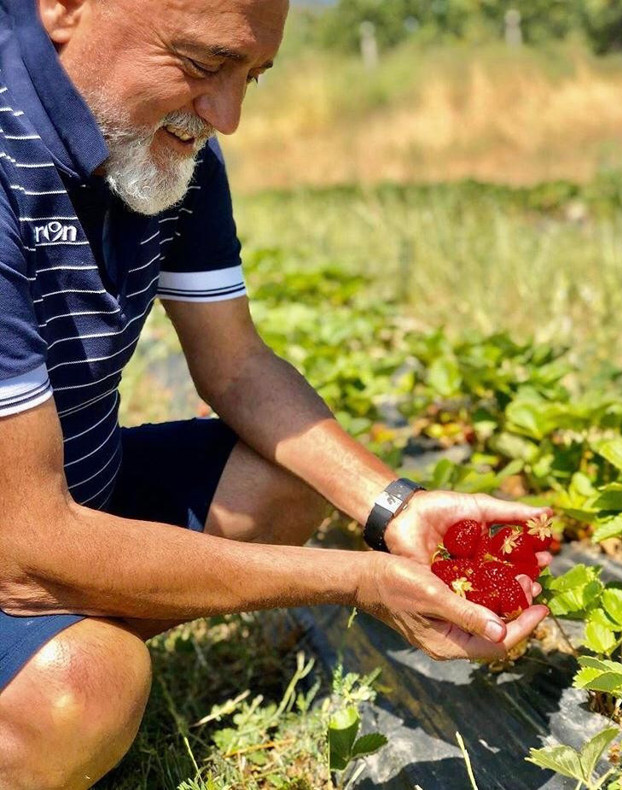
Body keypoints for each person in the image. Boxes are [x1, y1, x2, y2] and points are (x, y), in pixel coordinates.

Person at [0, 0, 552, 786]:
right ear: (65, 7)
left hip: (61, 491)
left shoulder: (155, 136)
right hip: (18, 528)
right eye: (202, 65)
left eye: (251, 75)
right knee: (84, 690)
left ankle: (69, 619)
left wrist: (393, 506)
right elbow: (23, 546)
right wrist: (355, 581)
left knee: (292, 474)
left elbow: (237, 367)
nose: (227, 116)